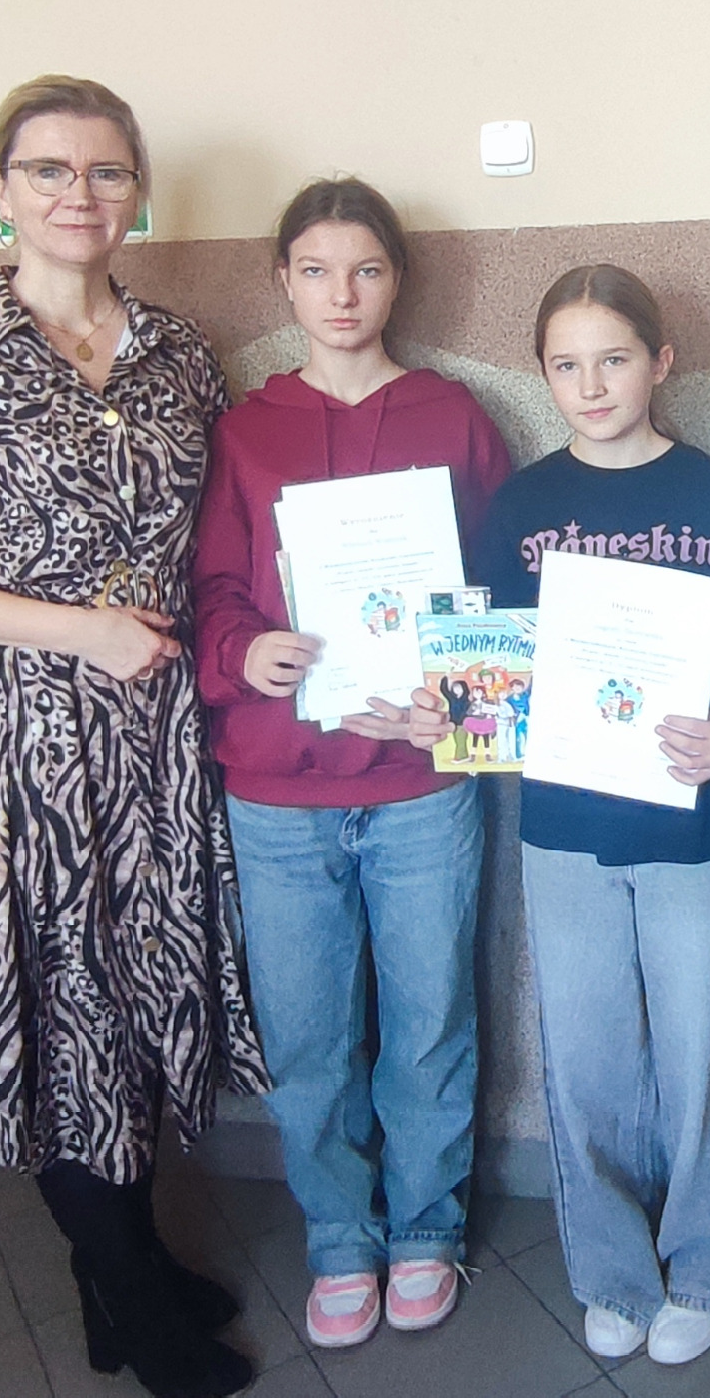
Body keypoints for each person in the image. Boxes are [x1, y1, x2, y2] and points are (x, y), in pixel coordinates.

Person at [0, 77, 266, 1398]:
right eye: (48, 170)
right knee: (50, 1006)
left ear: (137, 192)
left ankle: (115, 1274)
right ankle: (136, 1301)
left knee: (129, 1002)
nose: (78, 194)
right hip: (4, 748)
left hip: (150, 744)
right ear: (0, 191)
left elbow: (220, 535)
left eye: (105, 171)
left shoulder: (182, 354)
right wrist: (76, 630)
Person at [191, 178, 511, 1350]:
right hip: (278, 789)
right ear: (283, 280)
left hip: (422, 785)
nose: (343, 293)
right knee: (309, 1033)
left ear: (397, 282)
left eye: (367, 270)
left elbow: (497, 595)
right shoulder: (246, 428)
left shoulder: (453, 416)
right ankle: (338, 1236)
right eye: (318, 270)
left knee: (430, 1017)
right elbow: (211, 587)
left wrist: (460, 700)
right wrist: (245, 650)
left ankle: (425, 1226)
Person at [449, 264, 710, 1368]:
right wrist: (453, 709)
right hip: (566, 825)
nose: (591, 386)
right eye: (566, 365)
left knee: (708, 1046)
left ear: (661, 362)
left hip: (700, 824)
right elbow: (488, 673)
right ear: (543, 375)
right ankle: (612, 1270)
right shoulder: (520, 508)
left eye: (614, 360)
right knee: (587, 1055)